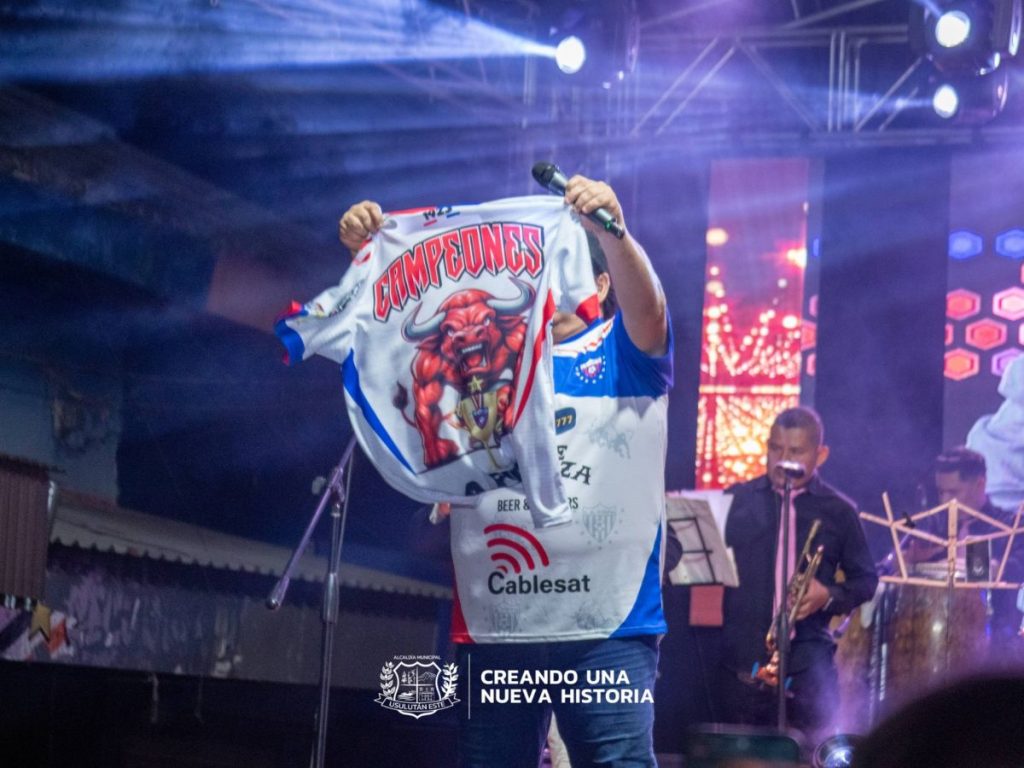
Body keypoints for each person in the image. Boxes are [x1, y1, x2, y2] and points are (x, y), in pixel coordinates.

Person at [340, 177, 672, 768]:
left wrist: (613, 233)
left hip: (606, 630)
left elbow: (652, 310)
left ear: (599, 282)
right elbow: (394, 345)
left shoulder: (624, 354)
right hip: (496, 628)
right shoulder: (482, 358)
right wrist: (372, 254)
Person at [716, 406, 878, 746]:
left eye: (795, 451)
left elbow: (866, 580)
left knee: (809, 753)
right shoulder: (737, 499)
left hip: (809, 665)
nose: (781, 459)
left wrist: (827, 595)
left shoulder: (838, 510)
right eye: (775, 448)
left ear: (821, 454)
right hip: (742, 665)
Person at [907, 447, 1024, 658]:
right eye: (941, 492)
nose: (944, 501)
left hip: (995, 646)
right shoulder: (932, 523)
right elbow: (895, 564)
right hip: (930, 639)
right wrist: (907, 560)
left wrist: (967, 558)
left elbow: (1013, 569)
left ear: (980, 484)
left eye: (953, 492)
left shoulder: (1010, 525)